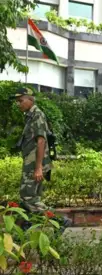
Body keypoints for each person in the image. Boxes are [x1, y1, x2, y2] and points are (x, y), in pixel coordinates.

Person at [12, 87, 71, 232]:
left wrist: (38, 168)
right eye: (17, 101)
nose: (18, 104)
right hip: (32, 164)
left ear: (30, 99)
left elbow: (41, 141)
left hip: (34, 165)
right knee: (32, 198)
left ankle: (59, 220)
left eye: (21, 100)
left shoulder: (37, 115)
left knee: (28, 198)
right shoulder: (30, 116)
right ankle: (27, 226)